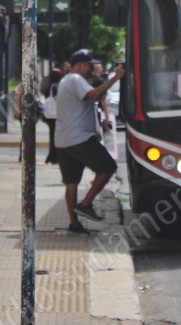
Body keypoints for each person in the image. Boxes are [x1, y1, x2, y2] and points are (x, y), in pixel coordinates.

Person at [53, 49, 125, 234]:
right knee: (108, 167)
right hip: (80, 138)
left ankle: (74, 223)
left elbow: (91, 96)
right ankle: (85, 204)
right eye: (89, 65)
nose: (92, 69)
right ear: (79, 66)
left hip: (64, 140)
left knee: (71, 182)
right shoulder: (75, 79)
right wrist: (116, 77)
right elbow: (93, 95)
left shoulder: (65, 81)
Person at [43, 68, 63, 164]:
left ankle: (51, 156)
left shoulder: (48, 86)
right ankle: (54, 157)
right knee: (56, 136)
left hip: (49, 115)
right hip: (55, 115)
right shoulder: (56, 86)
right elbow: (57, 99)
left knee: (52, 136)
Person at [89, 60, 111, 134]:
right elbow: (103, 99)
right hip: (96, 111)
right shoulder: (100, 81)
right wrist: (106, 114)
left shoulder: (86, 80)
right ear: (100, 70)